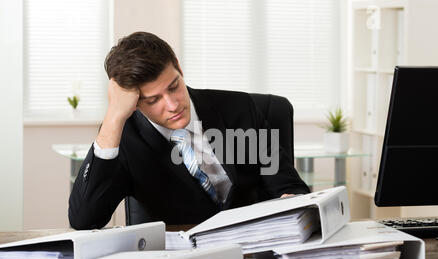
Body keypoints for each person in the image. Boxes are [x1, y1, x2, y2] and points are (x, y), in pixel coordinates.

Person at [68, 32, 310, 230]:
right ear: (135, 103)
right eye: (153, 100)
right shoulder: (125, 139)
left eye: (174, 87)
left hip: (255, 253)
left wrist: (291, 203)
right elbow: (85, 220)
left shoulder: (241, 109)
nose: (173, 105)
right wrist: (113, 119)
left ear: (179, 69)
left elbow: (290, 187)